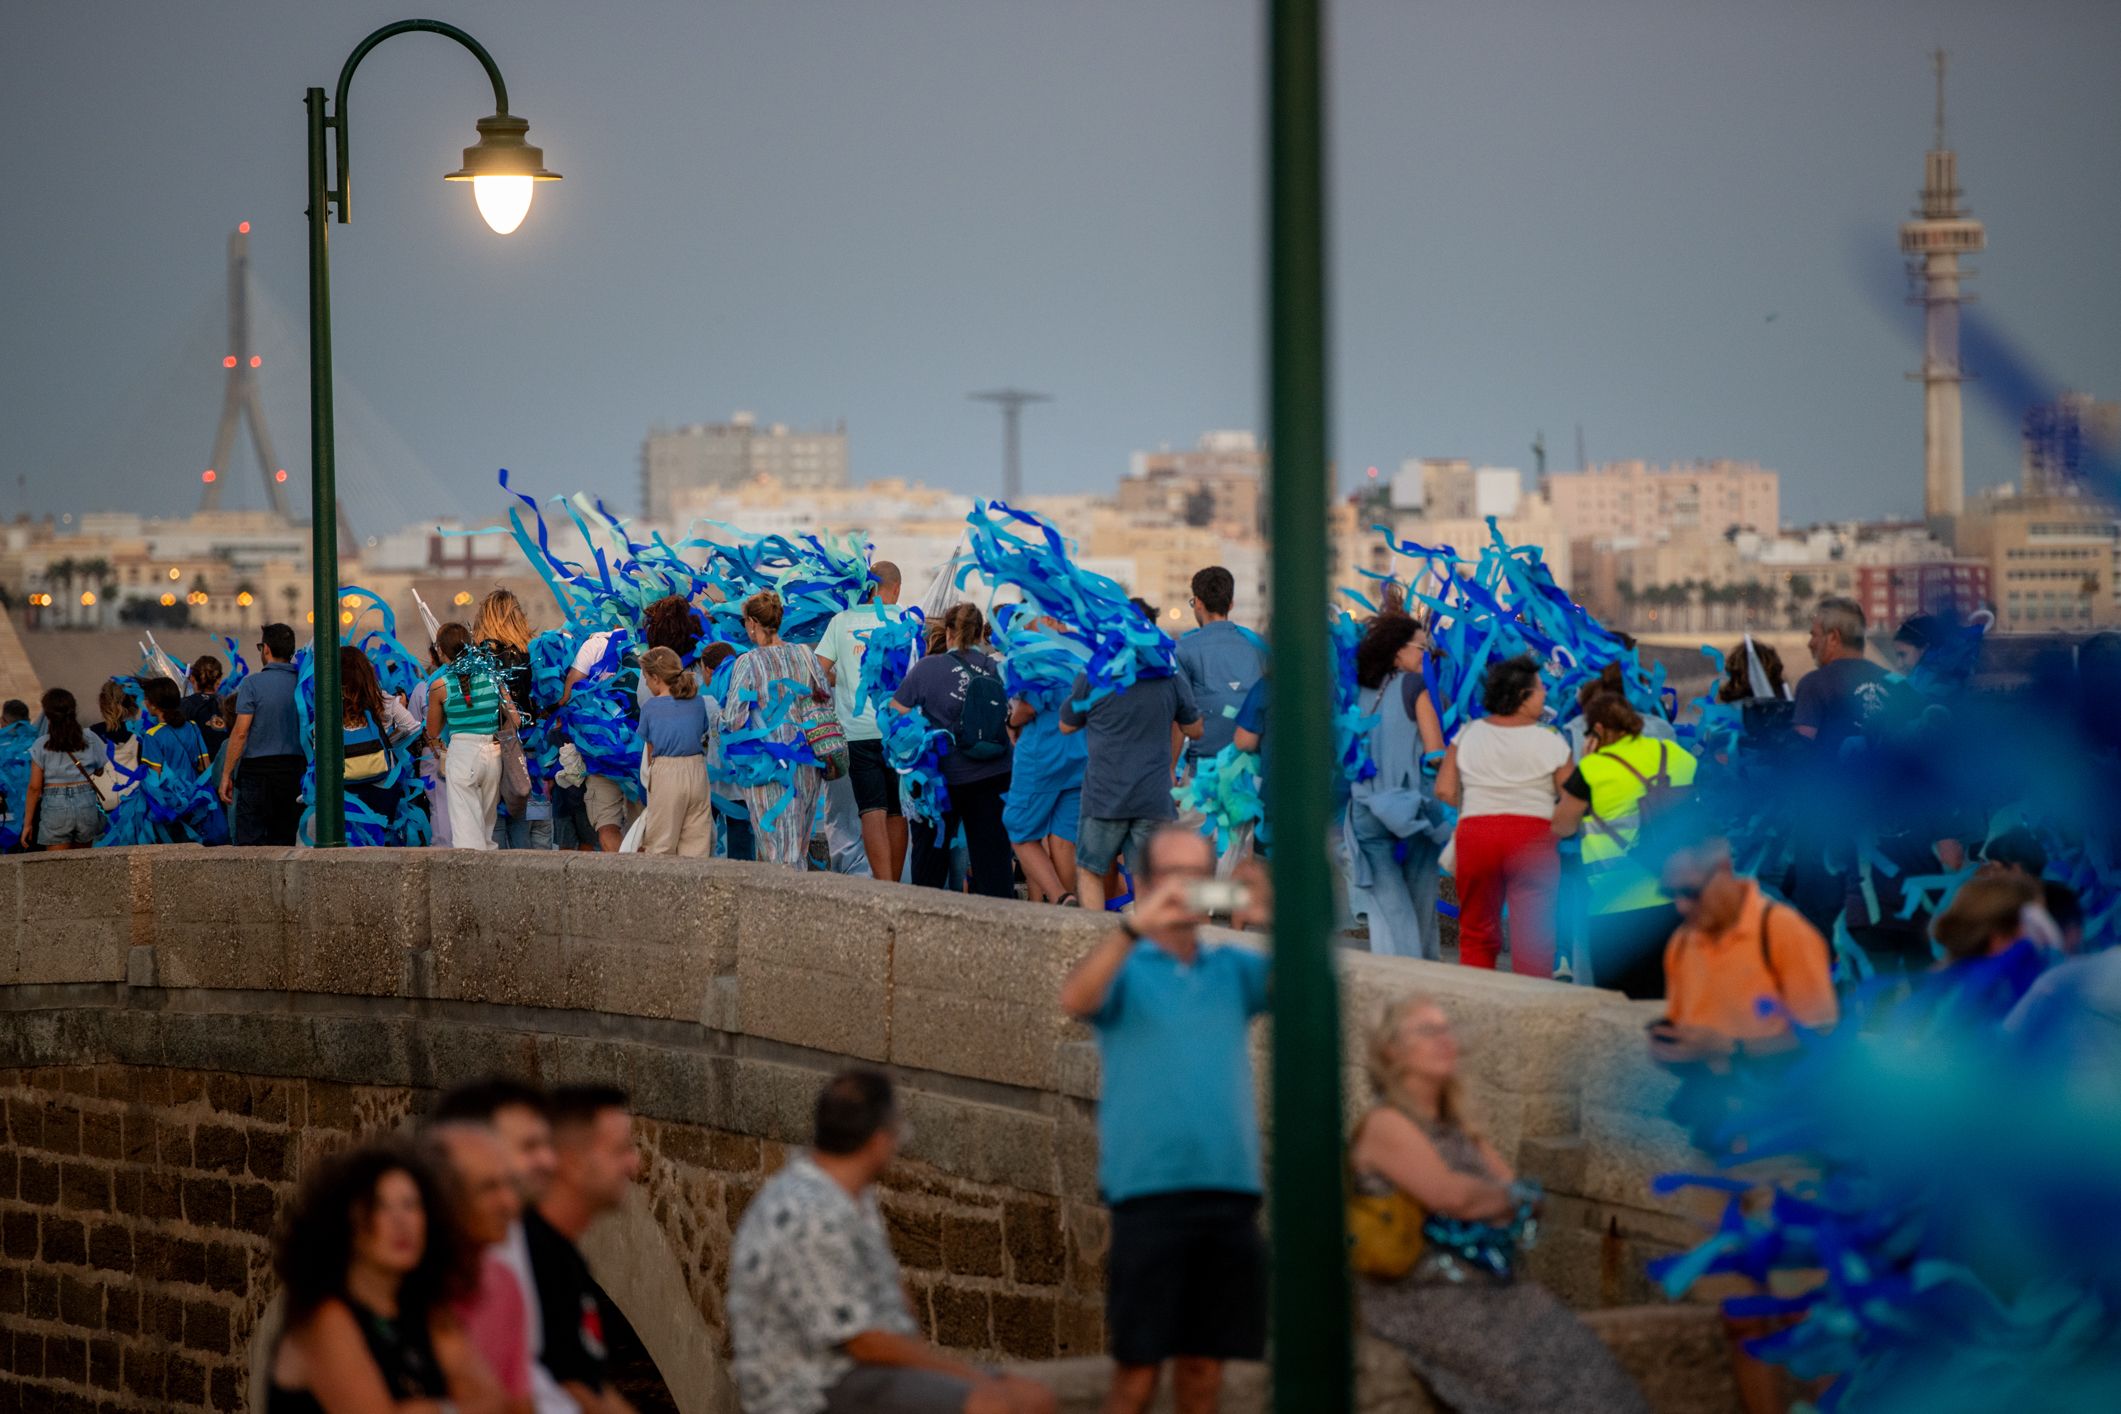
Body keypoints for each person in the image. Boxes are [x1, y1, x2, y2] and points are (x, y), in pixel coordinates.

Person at [1350, 996, 1649, 1414]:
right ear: (1390, 1051)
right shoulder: (1386, 1124)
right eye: (1427, 1031)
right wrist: (1498, 1199)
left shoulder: (1455, 1125)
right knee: (1537, 1380)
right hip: (1424, 1296)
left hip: (1488, 1285)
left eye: (1446, 1029)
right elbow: (1452, 1197)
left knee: (1591, 1369)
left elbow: (1524, 1198)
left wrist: (1495, 1198)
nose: (1444, 1040)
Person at [1059, 827, 1271, 1414]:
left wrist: (1272, 912)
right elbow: (1076, 998)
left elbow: (1307, 987)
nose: (1183, 889)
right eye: (1170, 876)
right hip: (1149, 1197)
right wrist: (1132, 925)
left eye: (1195, 876)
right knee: (1136, 1375)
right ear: (1144, 883)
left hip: (1229, 1196)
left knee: (1205, 1373)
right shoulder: (1125, 967)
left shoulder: (1231, 969)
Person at [728, 1070, 1056, 1414]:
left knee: (1034, 1397)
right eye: (898, 1131)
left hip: (864, 1372)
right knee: (993, 1405)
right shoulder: (809, 1214)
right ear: (878, 1140)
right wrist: (967, 1375)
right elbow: (864, 1342)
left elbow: (892, 1302)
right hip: (813, 1387)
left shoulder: (850, 1194)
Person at [265, 1140, 506, 1412]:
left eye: (411, 1205)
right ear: (347, 1222)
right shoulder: (325, 1319)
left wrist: (427, 1410)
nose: (401, 1221)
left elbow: (493, 1402)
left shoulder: (426, 1312)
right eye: (380, 1206)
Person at [432, 1079, 575, 1414]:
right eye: (529, 1147)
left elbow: (521, 1387)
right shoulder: (399, 1278)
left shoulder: (507, 1270)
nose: (549, 1161)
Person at [1551, 688, 1701, 998]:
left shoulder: (1593, 769)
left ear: (1600, 729)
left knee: (1618, 1005)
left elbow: (1562, 826)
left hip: (1612, 904)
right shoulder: (1672, 754)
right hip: (1671, 896)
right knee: (1665, 999)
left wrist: (1585, 761)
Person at [1435, 655, 1572, 976]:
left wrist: (1474, 805)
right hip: (1533, 839)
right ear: (1523, 697)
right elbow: (1571, 794)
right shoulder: (1549, 740)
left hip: (1477, 834)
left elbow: (1444, 789)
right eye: (1540, 690)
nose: (1545, 696)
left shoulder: (1467, 734)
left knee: (1477, 932)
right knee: (1534, 938)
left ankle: (1478, 1007)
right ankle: (1532, 1016)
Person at [1648, 839, 1838, 1067]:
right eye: (1670, 893)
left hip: (1782, 1091)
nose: (1681, 906)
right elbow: (1689, 1024)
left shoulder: (1781, 930)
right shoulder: (1682, 941)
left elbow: (1824, 1036)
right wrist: (1673, 1046)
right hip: (1712, 1092)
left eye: (1691, 891)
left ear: (1724, 870)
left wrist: (1729, 1046)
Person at [525, 1086, 641, 1413]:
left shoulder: (561, 1255)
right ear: (574, 1164)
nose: (635, 1165)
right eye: (621, 1150)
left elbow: (584, 1380)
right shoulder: (524, 1254)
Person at [890, 604, 1015, 898]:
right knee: (993, 861)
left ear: (948, 632)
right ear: (978, 634)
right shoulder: (997, 669)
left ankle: (924, 924)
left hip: (942, 780)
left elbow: (895, 715)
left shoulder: (927, 668)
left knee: (930, 859)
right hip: (995, 774)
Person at [1058, 659, 1203, 913]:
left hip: (1104, 796)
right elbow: (1195, 728)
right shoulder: (1169, 673)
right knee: (1148, 876)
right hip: (1153, 795)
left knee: (1091, 871)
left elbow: (1066, 725)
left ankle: (1095, 942)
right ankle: (1147, 947)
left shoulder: (1095, 671)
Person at [1346, 614, 1449, 959]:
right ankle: (1421, 980)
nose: (1426, 655)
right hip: (1411, 810)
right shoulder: (1413, 687)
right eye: (1421, 647)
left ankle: (1398, 979)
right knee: (1420, 906)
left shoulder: (1355, 689)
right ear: (1397, 651)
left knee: (1392, 909)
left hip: (1366, 809)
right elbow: (1435, 752)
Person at [423, 1122, 536, 1412]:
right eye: (489, 1188)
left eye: (510, 1184)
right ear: (443, 1198)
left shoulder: (504, 1283)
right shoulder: (397, 1287)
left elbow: (519, 1403)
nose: (510, 1202)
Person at [817, 561, 912, 883]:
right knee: (898, 812)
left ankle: (881, 885)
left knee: (871, 809)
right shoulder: (906, 619)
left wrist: (840, 677)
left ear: (869, 587)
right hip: (900, 732)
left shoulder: (841, 621)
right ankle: (896, 883)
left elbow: (818, 671)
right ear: (896, 588)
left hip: (856, 732)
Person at [725, 590, 830, 870]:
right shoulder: (805, 654)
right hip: (808, 760)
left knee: (775, 848)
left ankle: (783, 909)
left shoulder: (748, 662)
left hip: (768, 765)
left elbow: (734, 718)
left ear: (752, 623)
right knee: (798, 844)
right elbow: (823, 699)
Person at [1003, 619, 1090, 905]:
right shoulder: (1079, 650)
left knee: (1020, 831)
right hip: (1080, 752)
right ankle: (1067, 905)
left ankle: (1059, 896)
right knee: (1064, 838)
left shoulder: (1029, 651)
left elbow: (1027, 706)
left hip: (1042, 754)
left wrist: (1011, 722)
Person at [429, 623, 520, 853]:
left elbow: (432, 731)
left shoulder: (440, 686)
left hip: (462, 753)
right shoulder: (492, 677)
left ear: (440, 650)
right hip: (493, 752)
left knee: (466, 833)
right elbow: (516, 719)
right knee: (487, 829)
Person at [221, 622, 306, 845]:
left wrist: (226, 774)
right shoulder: (303, 684)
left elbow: (240, 733)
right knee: (285, 839)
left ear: (266, 649)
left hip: (257, 773)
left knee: (250, 841)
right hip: (293, 771)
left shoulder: (252, 685)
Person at [1173, 566, 1265, 767]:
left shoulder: (1184, 649)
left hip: (1204, 772)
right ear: (1231, 604)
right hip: (1252, 766)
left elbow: (1179, 717)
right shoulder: (1258, 646)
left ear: (1197, 603)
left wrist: (1171, 770)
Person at [475, 589, 545, 851]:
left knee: (496, 815)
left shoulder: (480, 660)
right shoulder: (532, 654)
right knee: (530, 810)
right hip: (530, 742)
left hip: (494, 742)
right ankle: (533, 878)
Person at [560, 628, 641, 852]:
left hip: (600, 752)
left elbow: (572, 686)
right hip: (635, 752)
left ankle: (620, 876)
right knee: (641, 827)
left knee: (606, 823)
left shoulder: (594, 645)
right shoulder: (642, 647)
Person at [637, 647, 715, 857]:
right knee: (697, 843)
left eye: (645, 677)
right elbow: (701, 732)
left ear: (656, 677)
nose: (645, 683)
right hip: (697, 770)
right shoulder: (698, 702)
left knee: (661, 844)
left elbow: (650, 749)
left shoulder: (650, 708)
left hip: (667, 771)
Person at [341, 647, 423, 846]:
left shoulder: (330, 705)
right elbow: (412, 727)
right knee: (383, 836)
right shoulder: (384, 700)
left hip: (346, 783)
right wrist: (387, 744)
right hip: (383, 780)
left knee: (352, 839)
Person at [1793, 597, 1888, 752]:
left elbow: (1799, 750)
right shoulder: (1893, 682)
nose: (1810, 643)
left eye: (1814, 635)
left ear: (1833, 638)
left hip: (1831, 775)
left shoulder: (1814, 684)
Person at [137, 676, 222, 845]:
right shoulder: (192, 726)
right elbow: (204, 765)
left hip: (170, 807)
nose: (144, 702)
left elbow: (154, 778)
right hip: (195, 802)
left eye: (146, 698)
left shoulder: (152, 735)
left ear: (153, 704)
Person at [24, 687, 109, 851]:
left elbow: (35, 787)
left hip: (56, 805)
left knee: (58, 867)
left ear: (48, 715)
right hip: (86, 803)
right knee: (82, 865)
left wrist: (27, 824)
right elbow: (99, 770)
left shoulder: (41, 744)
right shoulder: (90, 737)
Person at [698, 641, 757, 862]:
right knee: (741, 848)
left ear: (708, 671)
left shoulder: (705, 702)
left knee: (704, 843)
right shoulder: (744, 697)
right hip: (741, 786)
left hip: (711, 786)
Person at [0, 699, 36, 848]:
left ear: (3, 721)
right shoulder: (39, 744)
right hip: (34, 820)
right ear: (28, 721)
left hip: (4, 822)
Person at [183, 653, 232, 757]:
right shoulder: (228, 706)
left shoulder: (184, 704)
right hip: (223, 767)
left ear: (192, 679)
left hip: (195, 769)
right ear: (219, 681)